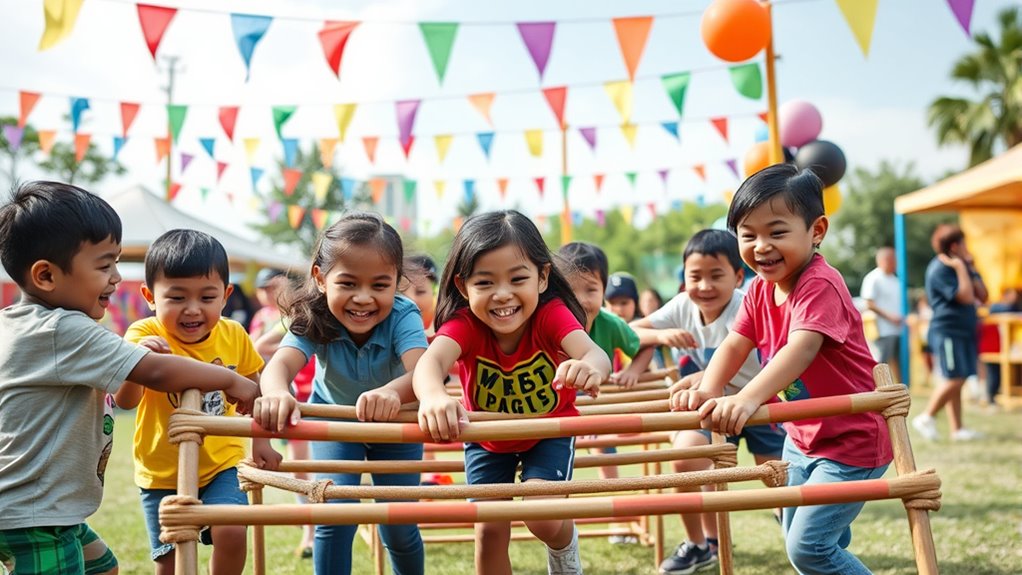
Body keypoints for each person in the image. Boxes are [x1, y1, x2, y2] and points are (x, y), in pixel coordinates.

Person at [0, 181, 259, 575]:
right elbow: (156, 371)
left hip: (39, 506)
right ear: (47, 276)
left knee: (103, 567)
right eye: (104, 265)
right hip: (34, 512)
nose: (117, 277)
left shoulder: (16, 323)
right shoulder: (63, 329)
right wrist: (230, 380)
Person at [672, 164, 893, 575]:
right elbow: (734, 344)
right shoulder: (758, 289)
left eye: (776, 232)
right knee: (804, 536)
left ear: (816, 230)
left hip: (851, 441)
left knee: (808, 548)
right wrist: (709, 388)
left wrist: (746, 397)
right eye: (748, 235)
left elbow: (801, 348)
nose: (761, 246)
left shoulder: (819, 283)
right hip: (801, 439)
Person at [413, 210, 611, 575]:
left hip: (549, 430)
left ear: (542, 277)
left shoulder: (552, 315)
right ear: (463, 287)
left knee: (541, 515)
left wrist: (589, 368)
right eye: (485, 282)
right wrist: (433, 396)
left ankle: (564, 545)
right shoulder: (464, 324)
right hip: (487, 438)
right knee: (489, 530)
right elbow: (430, 363)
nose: (503, 294)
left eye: (518, 278)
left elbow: (595, 354)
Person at [253, 212, 428, 575]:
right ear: (320, 278)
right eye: (348, 283)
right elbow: (279, 366)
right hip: (335, 422)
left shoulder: (403, 314)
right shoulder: (313, 314)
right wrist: (277, 393)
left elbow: (425, 372)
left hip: (396, 424)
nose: (363, 298)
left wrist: (393, 393)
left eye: (379, 285)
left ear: (397, 282)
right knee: (335, 516)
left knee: (399, 525)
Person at [110, 229, 280, 575]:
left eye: (207, 297)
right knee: (170, 557)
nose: (192, 309)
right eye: (176, 297)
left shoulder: (234, 335)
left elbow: (254, 393)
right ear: (150, 296)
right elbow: (126, 401)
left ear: (225, 296)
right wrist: (136, 363)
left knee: (232, 530)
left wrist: (261, 442)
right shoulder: (143, 335)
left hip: (222, 463)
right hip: (162, 471)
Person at [630, 229, 786, 575]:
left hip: (758, 401)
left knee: (778, 479)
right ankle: (701, 545)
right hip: (709, 406)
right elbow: (627, 331)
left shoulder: (748, 304)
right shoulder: (682, 306)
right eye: (695, 276)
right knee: (684, 459)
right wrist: (659, 335)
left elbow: (772, 355)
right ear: (684, 279)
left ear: (738, 276)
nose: (705, 286)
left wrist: (704, 377)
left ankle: (798, 532)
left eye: (716, 275)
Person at [557, 242, 655, 545]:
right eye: (571, 290)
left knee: (603, 451)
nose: (581, 299)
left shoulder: (610, 323)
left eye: (591, 289)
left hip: (597, 404)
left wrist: (633, 370)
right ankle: (559, 523)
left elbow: (645, 346)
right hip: (556, 407)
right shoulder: (549, 320)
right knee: (554, 468)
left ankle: (619, 522)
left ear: (603, 292)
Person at [912, 224, 988, 442]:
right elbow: (966, 297)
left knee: (958, 377)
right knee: (956, 376)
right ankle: (926, 416)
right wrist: (961, 268)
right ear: (955, 246)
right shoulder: (940, 269)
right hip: (948, 331)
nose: (967, 247)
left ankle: (957, 429)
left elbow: (983, 296)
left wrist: (971, 268)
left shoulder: (961, 265)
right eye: (964, 243)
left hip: (962, 330)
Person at [860, 247, 904, 380]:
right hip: (882, 330)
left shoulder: (896, 280)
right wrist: (890, 316)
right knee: (881, 364)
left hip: (898, 329)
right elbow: (869, 303)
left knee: (899, 362)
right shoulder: (873, 278)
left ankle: (900, 388)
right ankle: (876, 388)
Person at [983, 287, 1018, 407]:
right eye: (1012, 295)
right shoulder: (996, 307)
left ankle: (993, 396)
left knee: (998, 373)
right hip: (992, 347)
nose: (1014, 298)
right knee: (993, 372)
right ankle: (990, 398)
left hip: (1002, 347)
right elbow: (1006, 308)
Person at [249, 267, 288, 339]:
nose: (265, 294)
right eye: (262, 290)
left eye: (270, 289)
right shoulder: (261, 315)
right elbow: (252, 341)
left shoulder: (290, 312)